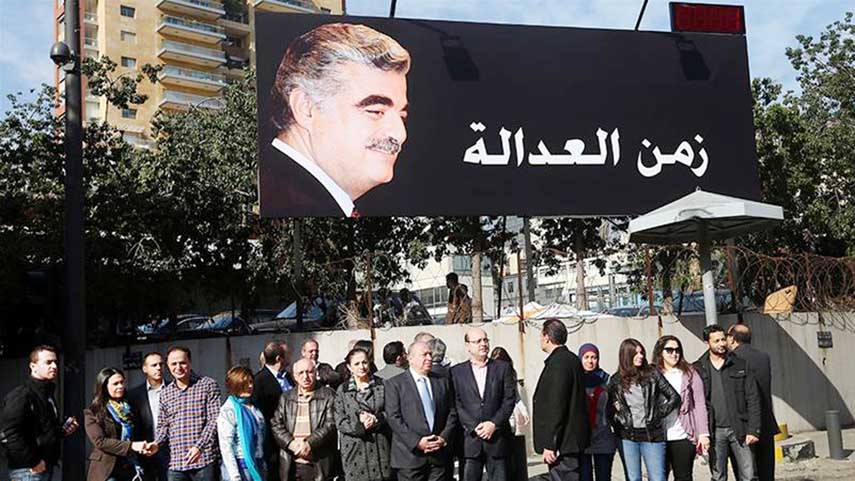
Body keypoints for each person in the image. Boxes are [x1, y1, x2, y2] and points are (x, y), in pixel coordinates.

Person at [260, 22, 411, 217]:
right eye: (375, 111)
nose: (400, 134)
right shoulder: (286, 205)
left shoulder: (285, 195)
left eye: (402, 115)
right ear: (306, 107)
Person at [0, 345, 80, 481]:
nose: (54, 366)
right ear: (33, 366)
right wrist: (33, 462)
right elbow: (9, 434)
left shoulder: (46, 393)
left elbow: (42, 430)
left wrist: (62, 430)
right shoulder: (22, 395)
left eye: (55, 362)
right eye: (48, 362)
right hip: (27, 470)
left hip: (44, 466)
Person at [606, 339, 680, 481]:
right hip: (627, 437)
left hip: (652, 435)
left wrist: (658, 414)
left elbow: (674, 397)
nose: (640, 356)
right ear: (626, 355)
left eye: (642, 353)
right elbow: (609, 409)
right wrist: (618, 420)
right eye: (636, 353)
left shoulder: (652, 374)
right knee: (633, 478)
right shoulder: (616, 380)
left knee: (657, 477)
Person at [694, 325, 761, 481]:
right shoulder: (698, 368)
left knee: (749, 475)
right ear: (707, 343)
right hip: (715, 432)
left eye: (723, 339)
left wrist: (754, 430)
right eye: (716, 341)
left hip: (741, 429)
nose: (721, 344)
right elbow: (696, 403)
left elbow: (753, 398)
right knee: (718, 476)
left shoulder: (740, 364)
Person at [385, 341, 458, 481]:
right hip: (410, 458)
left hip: (438, 456)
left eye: (430, 354)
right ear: (410, 358)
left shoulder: (441, 381)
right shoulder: (395, 383)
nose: (429, 358)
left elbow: (452, 412)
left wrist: (443, 437)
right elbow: (393, 417)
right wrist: (417, 441)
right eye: (424, 354)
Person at [450, 328, 516, 481]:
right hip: (470, 441)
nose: (483, 344)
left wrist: (493, 423)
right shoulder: (456, 372)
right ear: (468, 346)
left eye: (485, 340)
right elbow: (456, 403)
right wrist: (474, 427)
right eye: (477, 341)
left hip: (497, 439)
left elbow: (508, 400)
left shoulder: (502, 368)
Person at [533, 319, 590, 481]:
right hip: (570, 440)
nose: (540, 339)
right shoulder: (571, 359)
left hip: (563, 443)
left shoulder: (559, 363)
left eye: (541, 335)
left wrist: (551, 444)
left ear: (547, 337)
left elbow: (556, 405)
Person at [154, 346, 221, 480]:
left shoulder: (207, 385)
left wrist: (199, 447)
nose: (178, 367)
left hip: (204, 460)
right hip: (176, 464)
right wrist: (156, 443)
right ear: (168, 366)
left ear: (189, 362)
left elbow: (214, 420)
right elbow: (163, 426)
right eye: (173, 364)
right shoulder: (165, 393)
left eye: (182, 363)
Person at [651, 336, 710, 481]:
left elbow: (699, 404)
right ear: (660, 352)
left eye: (677, 350)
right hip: (658, 436)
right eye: (669, 350)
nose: (674, 354)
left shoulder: (690, 373)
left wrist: (703, 433)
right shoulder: (651, 374)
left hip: (683, 434)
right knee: (658, 477)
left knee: (684, 477)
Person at [84, 367, 157, 481]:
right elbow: (100, 441)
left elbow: (139, 434)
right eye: (115, 384)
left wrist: (144, 447)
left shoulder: (130, 407)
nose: (120, 386)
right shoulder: (93, 412)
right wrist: (131, 446)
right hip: (108, 469)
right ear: (104, 387)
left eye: (122, 382)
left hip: (132, 467)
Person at [727, 323, 779, 481]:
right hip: (765, 420)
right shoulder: (763, 357)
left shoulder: (733, 360)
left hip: (744, 424)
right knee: (766, 469)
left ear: (733, 339)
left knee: (746, 472)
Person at [271, 358, 338, 481]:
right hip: (292, 462)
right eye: (301, 373)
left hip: (318, 462)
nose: (305, 376)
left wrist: (309, 444)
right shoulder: (286, 397)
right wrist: (291, 444)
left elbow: (331, 424)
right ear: (294, 376)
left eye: (309, 372)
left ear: (316, 373)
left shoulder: (328, 395)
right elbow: (276, 424)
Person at [335, 348, 393, 481]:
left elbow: (391, 410)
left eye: (364, 362)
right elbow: (339, 419)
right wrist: (359, 426)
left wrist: (376, 419)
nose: (361, 367)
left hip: (380, 445)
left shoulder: (381, 384)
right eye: (356, 364)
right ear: (349, 367)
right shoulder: (343, 390)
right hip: (354, 449)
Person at [252, 341, 293, 481]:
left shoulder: (288, 377)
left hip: (292, 438)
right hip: (272, 442)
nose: (290, 357)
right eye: (288, 354)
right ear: (279, 359)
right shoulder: (259, 381)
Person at [577, 344, 618, 481]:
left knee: (604, 477)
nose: (590, 361)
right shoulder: (575, 379)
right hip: (583, 439)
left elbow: (613, 405)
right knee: (584, 477)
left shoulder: (606, 379)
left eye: (594, 357)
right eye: (586, 357)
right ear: (580, 358)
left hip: (604, 436)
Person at [127, 352, 170, 481]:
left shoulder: (173, 389)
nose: (158, 368)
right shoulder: (134, 395)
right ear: (144, 368)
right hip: (145, 449)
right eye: (154, 365)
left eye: (161, 364)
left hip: (171, 449)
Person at [489, 347, 530, 481]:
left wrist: (523, 411)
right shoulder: (490, 373)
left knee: (510, 448)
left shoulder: (511, 373)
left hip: (510, 417)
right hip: (495, 416)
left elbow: (515, 396)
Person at [218, 366, 266, 481]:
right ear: (235, 384)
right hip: (240, 466)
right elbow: (226, 446)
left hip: (257, 463)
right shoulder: (229, 410)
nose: (250, 386)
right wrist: (235, 476)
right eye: (245, 383)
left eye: (251, 382)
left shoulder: (254, 408)